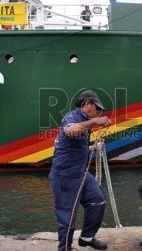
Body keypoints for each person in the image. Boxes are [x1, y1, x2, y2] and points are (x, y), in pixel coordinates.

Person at [49, 90, 110, 251]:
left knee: (98, 200)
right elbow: (70, 131)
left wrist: (93, 147)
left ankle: (86, 238)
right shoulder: (72, 117)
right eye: (97, 108)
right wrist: (95, 121)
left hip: (80, 173)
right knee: (67, 218)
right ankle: (65, 248)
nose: (99, 112)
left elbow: (76, 147)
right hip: (65, 176)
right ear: (87, 104)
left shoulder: (84, 121)